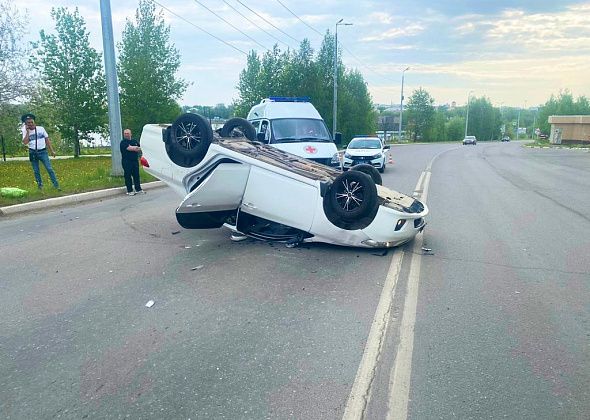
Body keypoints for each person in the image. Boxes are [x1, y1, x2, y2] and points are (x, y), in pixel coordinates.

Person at [21, 113, 60, 191]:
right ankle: (40, 186)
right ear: (25, 124)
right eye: (28, 123)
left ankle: (56, 185)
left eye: (32, 122)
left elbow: (47, 140)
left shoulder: (41, 129)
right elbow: (25, 142)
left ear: (34, 122)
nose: (31, 124)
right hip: (33, 153)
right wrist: (28, 132)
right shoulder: (24, 131)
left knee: (49, 168)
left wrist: (52, 151)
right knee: (36, 171)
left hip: (43, 152)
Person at [120, 128, 145, 195]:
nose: (126, 135)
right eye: (125, 134)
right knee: (128, 176)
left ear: (131, 134)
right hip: (126, 162)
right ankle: (130, 191)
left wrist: (136, 148)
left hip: (135, 161)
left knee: (136, 175)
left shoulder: (134, 141)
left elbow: (141, 148)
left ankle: (138, 189)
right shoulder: (123, 142)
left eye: (127, 133)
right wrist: (135, 148)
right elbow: (130, 148)